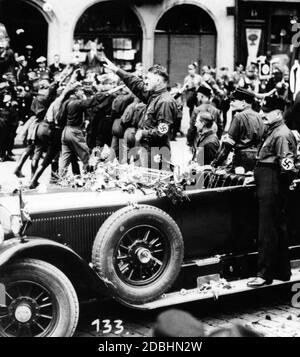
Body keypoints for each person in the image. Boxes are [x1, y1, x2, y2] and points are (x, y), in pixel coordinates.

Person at [247, 96, 298, 287]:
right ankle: (282, 272)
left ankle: (264, 274)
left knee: (267, 230)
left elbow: (287, 165)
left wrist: (278, 187)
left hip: (272, 183)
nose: (262, 114)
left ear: (278, 113)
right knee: (276, 228)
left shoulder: (282, 134)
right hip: (269, 181)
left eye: (266, 111)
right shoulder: (275, 130)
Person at [103, 57, 178, 169]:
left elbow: (163, 130)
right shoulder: (153, 96)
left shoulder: (164, 102)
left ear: (158, 81)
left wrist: (144, 133)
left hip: (155, 153)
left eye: (148, 78)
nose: (145, 81)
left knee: (153, 182)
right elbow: (136, 84)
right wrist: (117, 70)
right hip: (147, 149)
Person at [212, 88, 265, 172]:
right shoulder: (259, 117)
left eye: (233, 100)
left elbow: (227, 145)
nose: (231, 103)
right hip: (257, 161)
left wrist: (214, 164)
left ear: (243, 102)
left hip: (241, 162)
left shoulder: (239, 117)